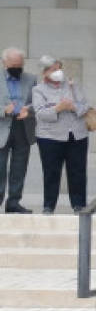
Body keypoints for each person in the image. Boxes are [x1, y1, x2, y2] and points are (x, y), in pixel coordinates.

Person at [31, 56, 90, 214]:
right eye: (54, 69)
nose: (58, 72)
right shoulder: (38, 90)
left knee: (77, 171)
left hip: (76, 135)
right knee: (51, 172)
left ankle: (79, 204)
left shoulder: (72, 85)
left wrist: (73, 107)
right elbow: (40, 113)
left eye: (59, 68)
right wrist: (58, 108)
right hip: (50, 137)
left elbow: (85, 106)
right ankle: (49, 205)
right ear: (45, 73)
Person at [0, 47, 36, 213]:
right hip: (2, 126)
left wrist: (29, 110)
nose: (17, 68)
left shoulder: (31, 78)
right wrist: (3, 110)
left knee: (19, 167)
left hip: (23, 127)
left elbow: (38, 102)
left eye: (20, 65)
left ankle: (13, 202)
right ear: (4, 63)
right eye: (14, 65)